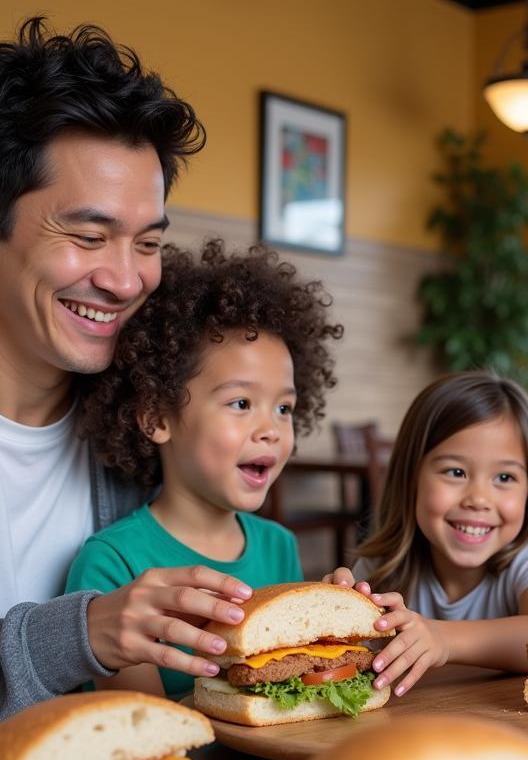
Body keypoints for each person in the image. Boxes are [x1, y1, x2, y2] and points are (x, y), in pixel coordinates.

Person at [0, 17, 254, 719]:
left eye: (147, 243)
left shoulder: (146, 432)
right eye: (88, 237)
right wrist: (78, 635)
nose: (124, 280)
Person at [65, 239, 344, 697]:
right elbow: (147, 728)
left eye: (284, 409)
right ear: (156, 417)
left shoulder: (279, 547)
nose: (272, 430)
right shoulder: (111, 564)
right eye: (241, 403)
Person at [331, 371, 528, 696]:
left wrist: (443, 639)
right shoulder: (380, 566)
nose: (478, 500)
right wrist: (336, 616)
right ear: (410, 480)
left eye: (504, 477)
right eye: (456, 472)